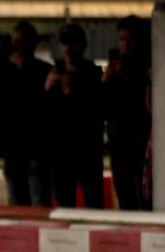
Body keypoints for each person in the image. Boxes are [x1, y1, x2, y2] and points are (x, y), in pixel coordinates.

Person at [0, 21, 53, 206]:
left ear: (33, 44)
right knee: (17, 201)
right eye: (15, 42)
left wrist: (21, 68)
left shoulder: (44, 71)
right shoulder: (4, 71)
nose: (18, 47)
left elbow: (41, 98)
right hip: (12, 146)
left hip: (36, 146)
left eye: (22, 42)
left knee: (38, 200)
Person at [44, 23, 105, 208]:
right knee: (64, 206)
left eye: (73, 43)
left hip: (87, 152)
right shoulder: (54, 73)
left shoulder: (93, 75)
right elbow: (41, 114)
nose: (68, 49)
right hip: (60, 153)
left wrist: (74, 94)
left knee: (94, 204)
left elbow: (99, 111)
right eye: (65, 43)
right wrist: (47, 89)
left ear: (83, 45)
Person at [103, 16, 152, 210]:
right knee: (124, 191)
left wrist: (129, 76)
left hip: (139, 137)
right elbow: (105, 105)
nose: (125, 45)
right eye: (122, 40)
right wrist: (107, 81)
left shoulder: (146, 67)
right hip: (118, 138)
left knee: (143, 191)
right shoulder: (114, 72)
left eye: (130, 40)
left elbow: (144, 102)